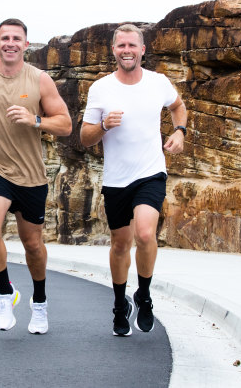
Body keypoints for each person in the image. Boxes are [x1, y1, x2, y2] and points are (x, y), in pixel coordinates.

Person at [0, 18, 72, 334]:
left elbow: (65, 124)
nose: (10, 43)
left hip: (31, 176)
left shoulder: (40, 80)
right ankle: (6, 293)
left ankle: (40, 303)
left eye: (16, 38)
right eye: (4, 38)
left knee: (33, 244)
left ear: (25, 44)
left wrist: (35, 120)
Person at [80, 24, 187, 336]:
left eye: (132, 45)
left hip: (150, 173)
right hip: (116, 180)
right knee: (119, 244)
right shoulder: (100, 88)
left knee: (144, 233)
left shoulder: (158, 83)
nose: (126, 50)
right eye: (121, 45)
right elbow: (85, 138)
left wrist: (179, 132)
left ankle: (144, 295)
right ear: (114, 51)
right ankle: (119, 304)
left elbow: (178, 107)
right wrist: (102, 126)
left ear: (142, 50)